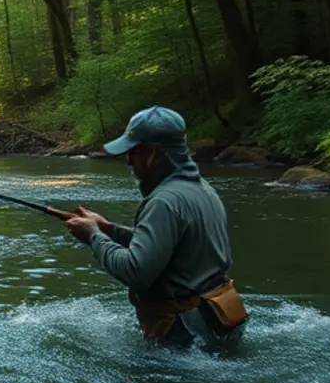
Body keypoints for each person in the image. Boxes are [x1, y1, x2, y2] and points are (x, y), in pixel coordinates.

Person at [63, 106, 248, 348]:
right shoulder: (202, 189)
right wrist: (109, 229)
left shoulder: (164, 202)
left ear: (152, 154)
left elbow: (135, 271)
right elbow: (171, 249)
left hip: (183, 337)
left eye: (133, 152)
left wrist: (93, 236)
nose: (129, 161)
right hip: (216, 321)